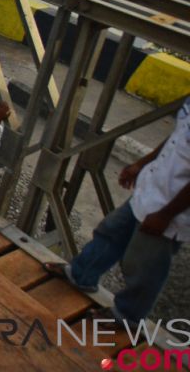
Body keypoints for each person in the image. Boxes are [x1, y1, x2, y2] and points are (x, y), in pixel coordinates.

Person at [43, 97, 189, 325]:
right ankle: (81, 274)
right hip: (151, 189)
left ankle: (128, 316)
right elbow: (176, 137)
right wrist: (142, 163)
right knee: (111, 231)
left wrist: (165, 215)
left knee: (143, 264)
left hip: (171, 208)